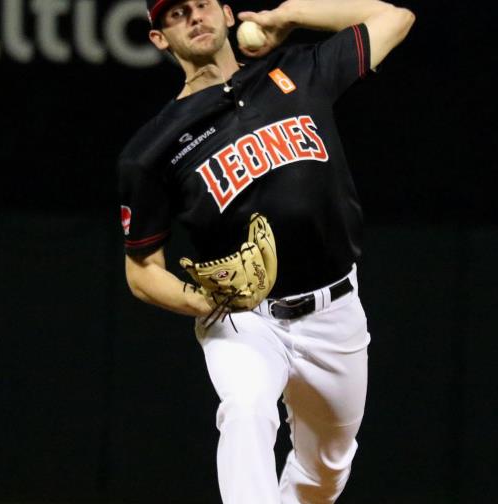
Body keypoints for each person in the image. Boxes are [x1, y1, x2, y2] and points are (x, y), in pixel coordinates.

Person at [118, 0, 415, 502]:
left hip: (334, 308)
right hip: (243, 316)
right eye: (175, 14)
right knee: (247, 407)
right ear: (159, 39)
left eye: (203, 4)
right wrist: (200, 302)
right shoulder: (151, 149)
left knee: (326, 470)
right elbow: (142, 270)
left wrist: (290, 15)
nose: (194, 16)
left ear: (229, 13)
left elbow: (396, 18)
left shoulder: (299, 69)